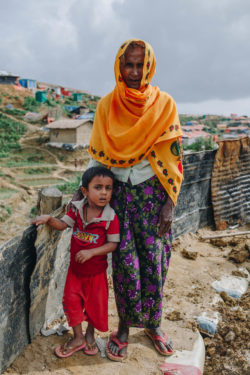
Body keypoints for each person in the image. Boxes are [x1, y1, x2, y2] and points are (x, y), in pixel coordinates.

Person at [87, 39, 183, 361]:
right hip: (121, 197)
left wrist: (170, 203)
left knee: (155, 263)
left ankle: (154, 325)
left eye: (140, 64)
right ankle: (125, 327)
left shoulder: (165, 105)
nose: (133, 71)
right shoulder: (106, 107)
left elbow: (173, 159)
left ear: (150, 66)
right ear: (119, 65)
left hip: (153, 196)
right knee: (125, 265)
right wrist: (81, 195)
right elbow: (98, 158)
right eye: (128, 64)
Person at [32, 167, 120, 358]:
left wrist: (92, 252)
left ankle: (90, 335)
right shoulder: (77, 209)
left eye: (108, 188)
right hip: (75, 272)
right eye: (98, 187)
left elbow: (113, 244)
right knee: (71, 303)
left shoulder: (110, 217)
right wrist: (49, 219)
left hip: (96, 275)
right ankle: (78, 337)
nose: (104, 192)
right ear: (85, 191)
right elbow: (63, 225)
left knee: (95, 308)